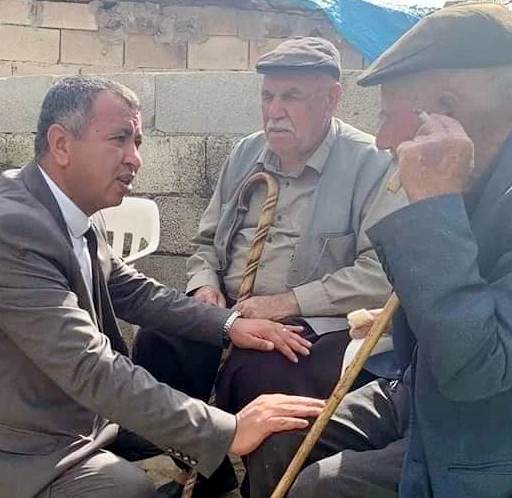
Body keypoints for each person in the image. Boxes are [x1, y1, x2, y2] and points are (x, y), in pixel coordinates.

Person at [0, 75, 328, 498]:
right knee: (126, 489)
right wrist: (230, 429)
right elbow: (87, 365)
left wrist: (229, 324)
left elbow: (136, 292)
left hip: (60, 414)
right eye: (120, 139)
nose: (135, 159)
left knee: (180, 411)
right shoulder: (8, 231)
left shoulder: (66, 213)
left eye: (138, 142)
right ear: (61, 144)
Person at [244, 3, 512, 497]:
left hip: (491, 432)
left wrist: (434, 206)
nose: (382, 138)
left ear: (447, 111)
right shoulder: (477, 172)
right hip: (418, 393)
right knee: (277, 438)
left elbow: (477, 369)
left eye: (389, 116)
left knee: (319, 489)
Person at [132, 37, 405, 498]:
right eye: (267, 96)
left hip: (316, 324)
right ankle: (208, 475)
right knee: (158, 342)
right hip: (232, 311)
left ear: (332, 99)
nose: (275, 111)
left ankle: (264, 488)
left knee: (260, 373)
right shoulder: (246, 153)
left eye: (291, 96)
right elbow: (206, 243)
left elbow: (380, 275)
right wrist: (204, 289)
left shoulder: (373, 165)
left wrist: (285, 303)